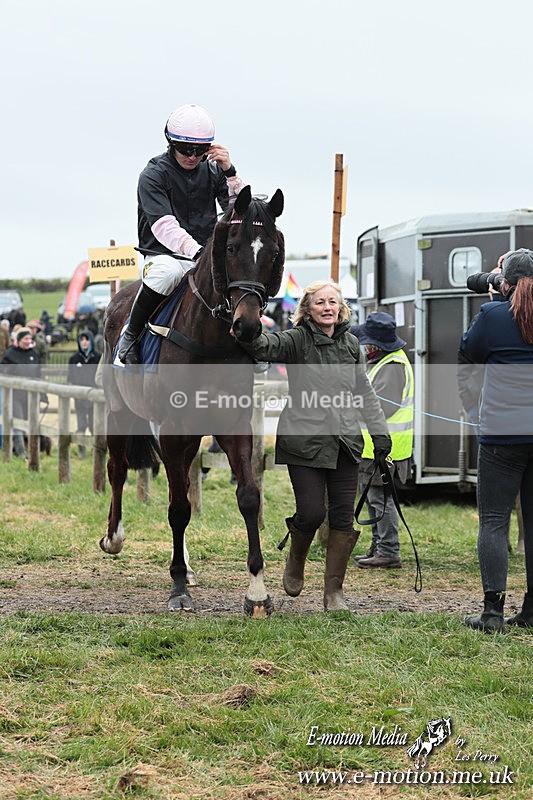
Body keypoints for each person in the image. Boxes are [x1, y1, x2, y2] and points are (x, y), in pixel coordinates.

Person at [239, 280, 391, 612]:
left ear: (341, 308)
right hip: (303, 441)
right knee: (311, 513)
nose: (327, 307)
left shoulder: (352, 345)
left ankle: (333, 593)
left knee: (343, 518)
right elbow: (264, 347)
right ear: (308, 309)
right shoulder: (296, 340)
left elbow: (364, 393)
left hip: (345, 442)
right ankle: (296, 558)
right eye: (320, 302)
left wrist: (380, 436)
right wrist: (247, 328)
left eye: (332, 302)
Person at [118, 103, 245, 364]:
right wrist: (197, 252)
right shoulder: (152, 175)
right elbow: (164, 226)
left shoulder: (213, 170)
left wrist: (230, 173)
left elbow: (237, 213)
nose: (192, 156)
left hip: (204, 255)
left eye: (200, 151)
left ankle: (251, 343)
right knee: (169, 273)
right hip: (162, 254)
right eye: (185, 149)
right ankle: (130, 335)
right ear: (170, 142)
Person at [459, 248, 533, 632]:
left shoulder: (493, 314)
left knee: (493, 521)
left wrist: (494, 305)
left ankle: (492, 614)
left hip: (503, 433)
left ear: (503, 284)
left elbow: (467, 354)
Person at [351, 312, 414, 569]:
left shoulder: (392, 366)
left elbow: (380, 408)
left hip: (385, 449)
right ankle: (379, 546)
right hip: (375, 447)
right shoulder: (383, 361)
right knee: (373, 498)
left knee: (381, 500)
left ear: (376, 345)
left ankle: (388, 550)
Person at [0, 327, 43, 458]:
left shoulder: (33, 354)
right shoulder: (10, 354)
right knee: (17, 422)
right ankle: (20, 452)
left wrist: (43, 394)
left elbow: (38, 374)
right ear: (19, 340)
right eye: (25, 338)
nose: (28, 341)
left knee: (31, 422)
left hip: (31, 395)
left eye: (30, 338)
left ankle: (33, 450)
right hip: (15, 395)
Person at [67, 331, 101, 458]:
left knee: (94, 425)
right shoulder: (74, 359)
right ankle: (81, 450)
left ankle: (95, 449)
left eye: (87, 339)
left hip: (94, 398)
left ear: (91, 341)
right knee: (81, 424)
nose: (84, 342)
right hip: (79, 398)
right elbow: (70, 378)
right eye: (82, 340)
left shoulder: (98, 358)